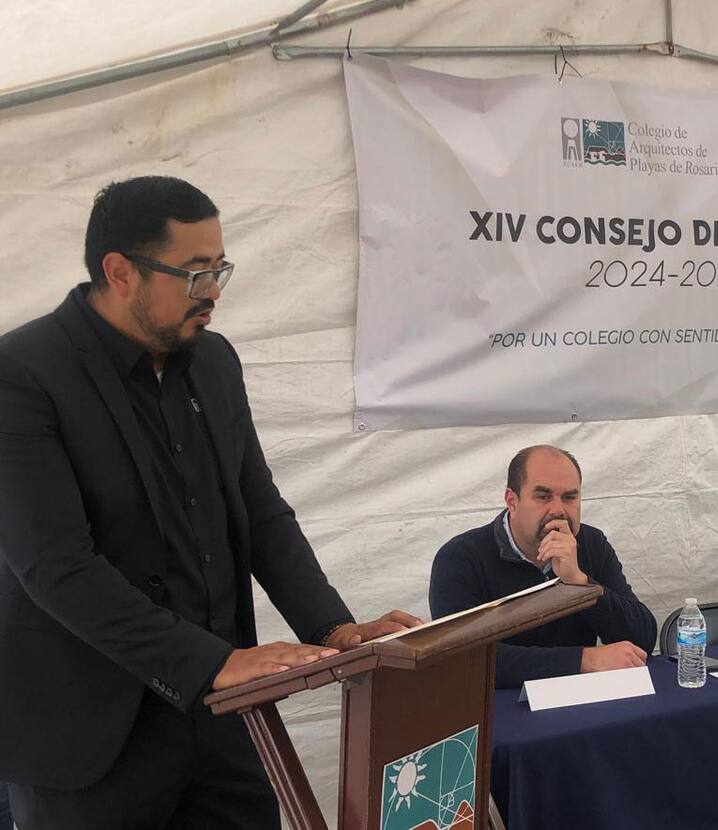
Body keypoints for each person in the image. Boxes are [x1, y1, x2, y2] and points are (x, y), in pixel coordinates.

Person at [0, 176, 421, 829]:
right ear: (120, 273)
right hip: (88, 737)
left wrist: (333, 628)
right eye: (196, 274)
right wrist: (211, 663)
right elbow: (55, 565)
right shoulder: (24, 373)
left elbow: (261, 512)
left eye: (221, 269)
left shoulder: (214, 361)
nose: (215, 291)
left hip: (225, 721)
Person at [429, 445, 656, 689]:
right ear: (512, 501)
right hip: (498, 703)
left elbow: (641, 640)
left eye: (570, 497)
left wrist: (580, 583)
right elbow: (461, 657)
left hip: (579, 698)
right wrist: (582, 660)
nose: (558, 510)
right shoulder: (460, 557)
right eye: (543, 496)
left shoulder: (592, 544)